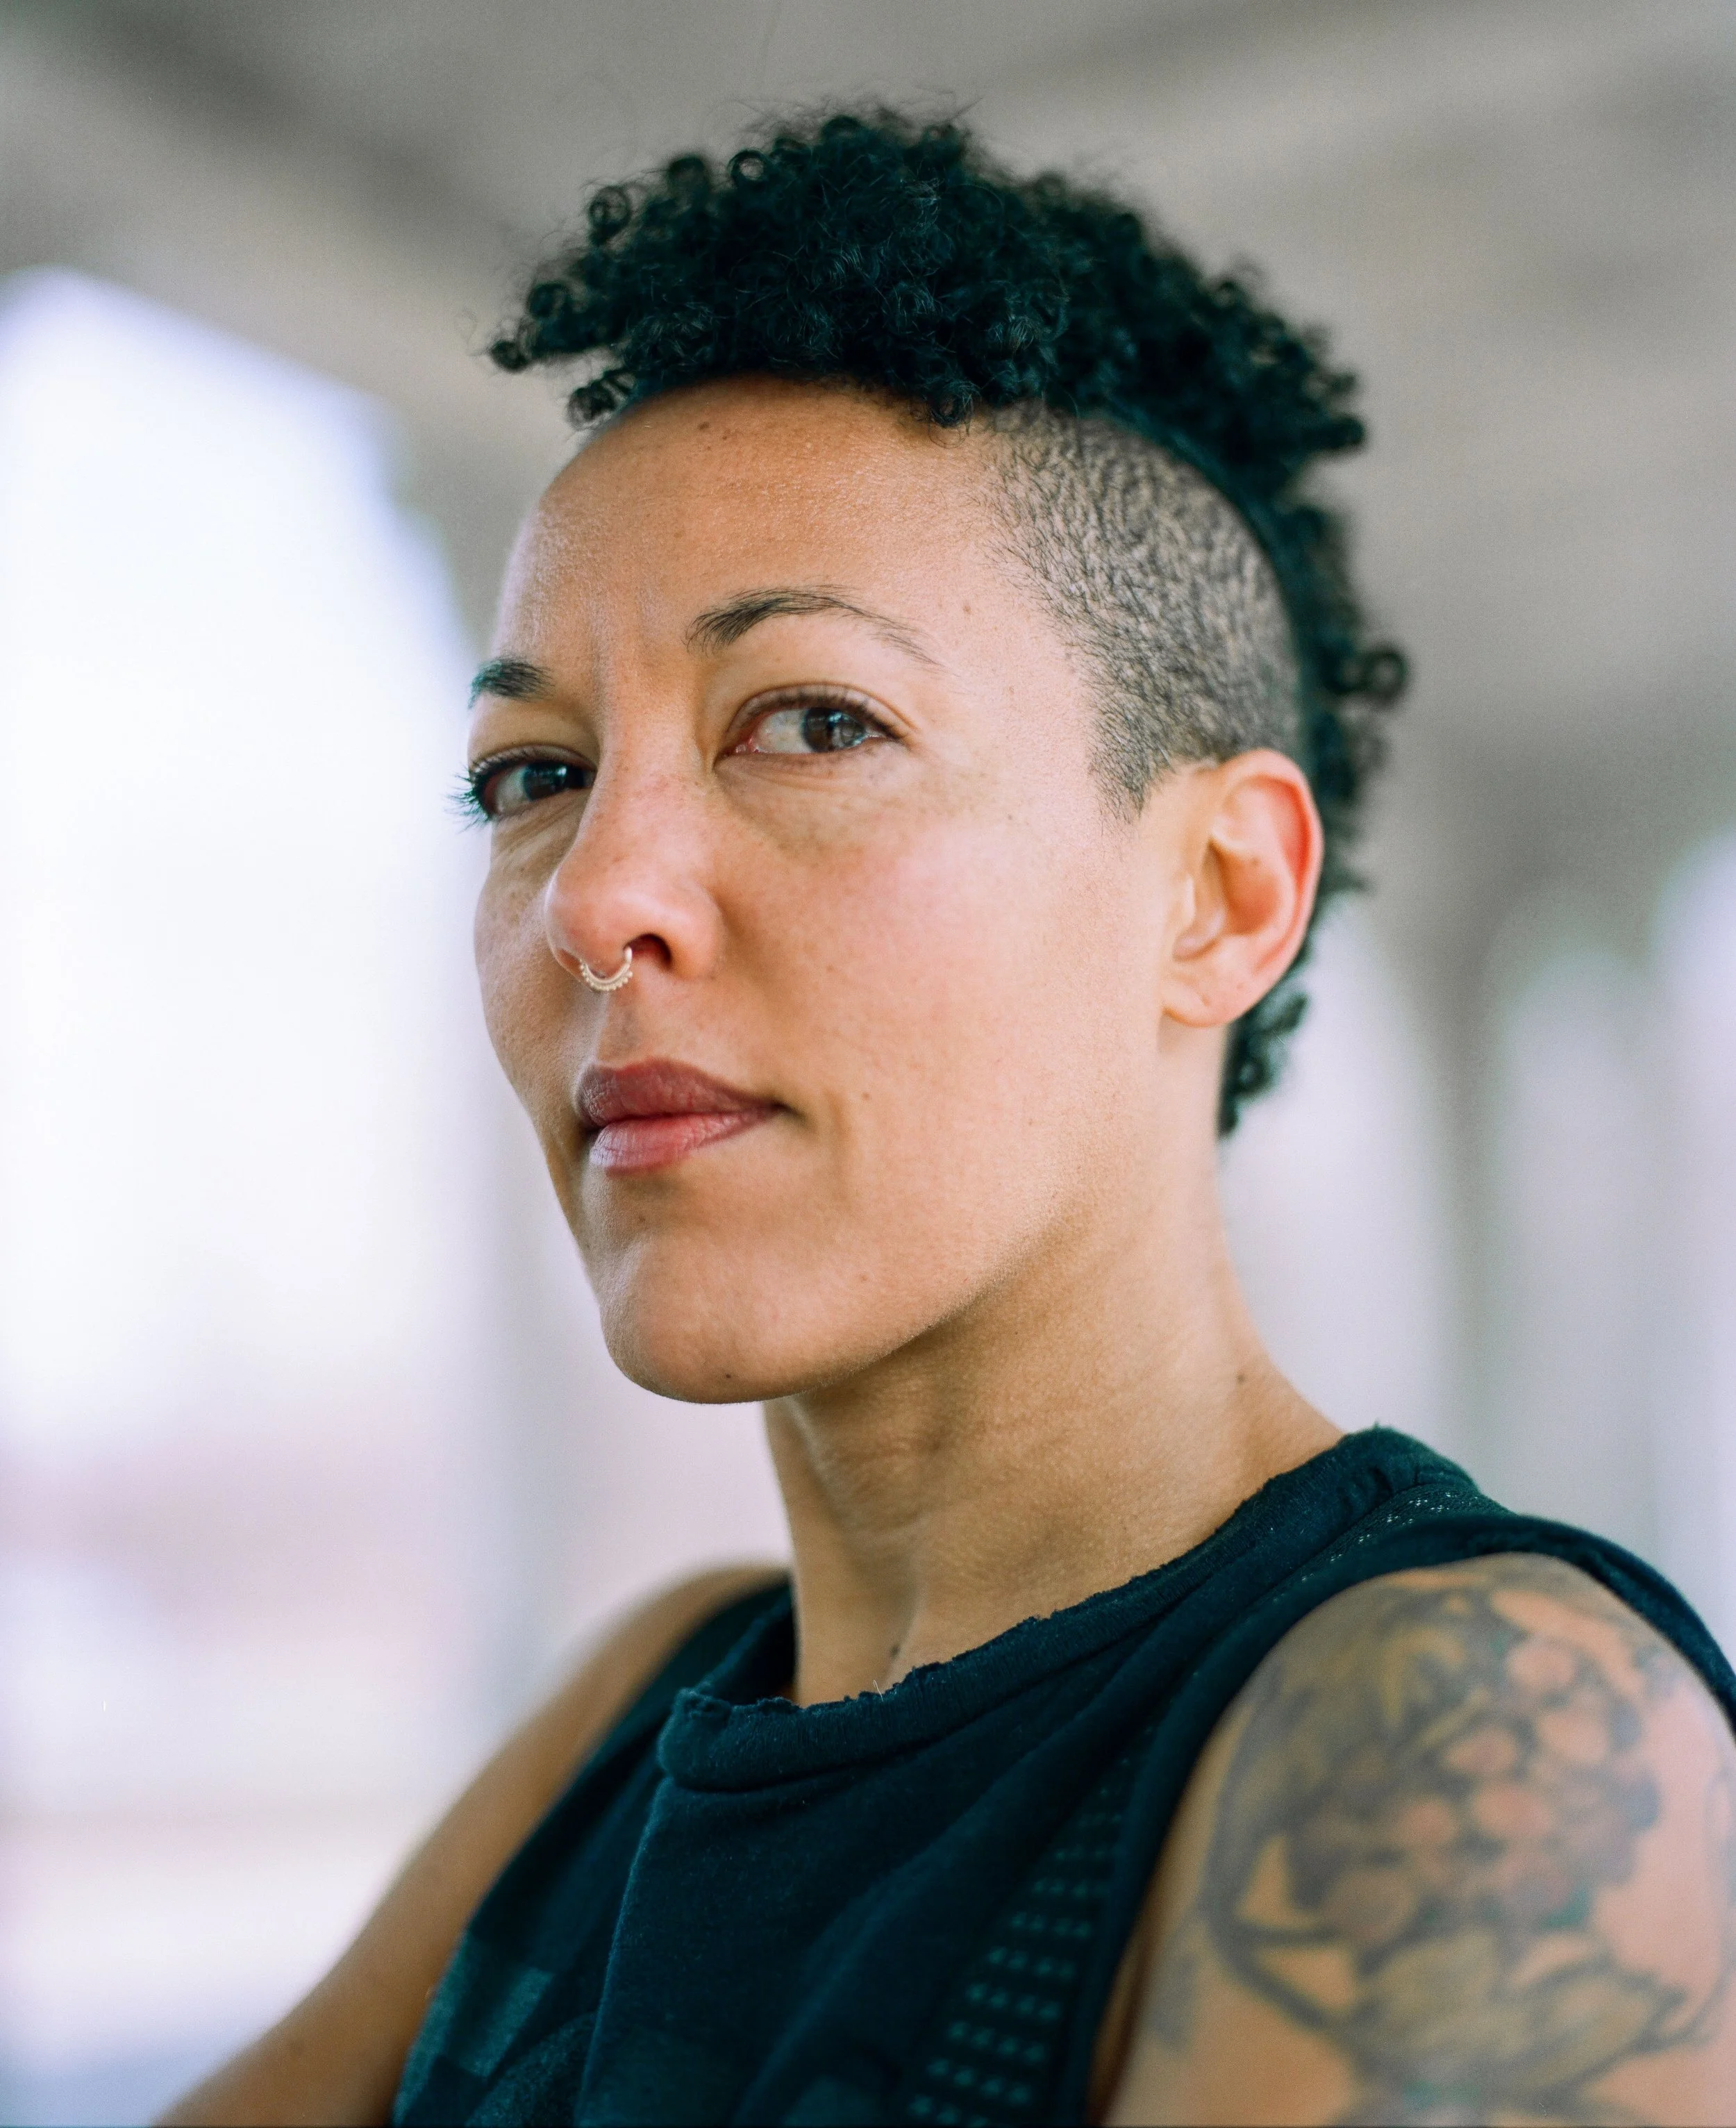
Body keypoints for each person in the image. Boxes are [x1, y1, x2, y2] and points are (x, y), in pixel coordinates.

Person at [163, 112, 1736, 2127]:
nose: (593, 893)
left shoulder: (1466, 1745)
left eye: (815, 723)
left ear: (1218, 897)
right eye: (529, 772)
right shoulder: (648, 1707)